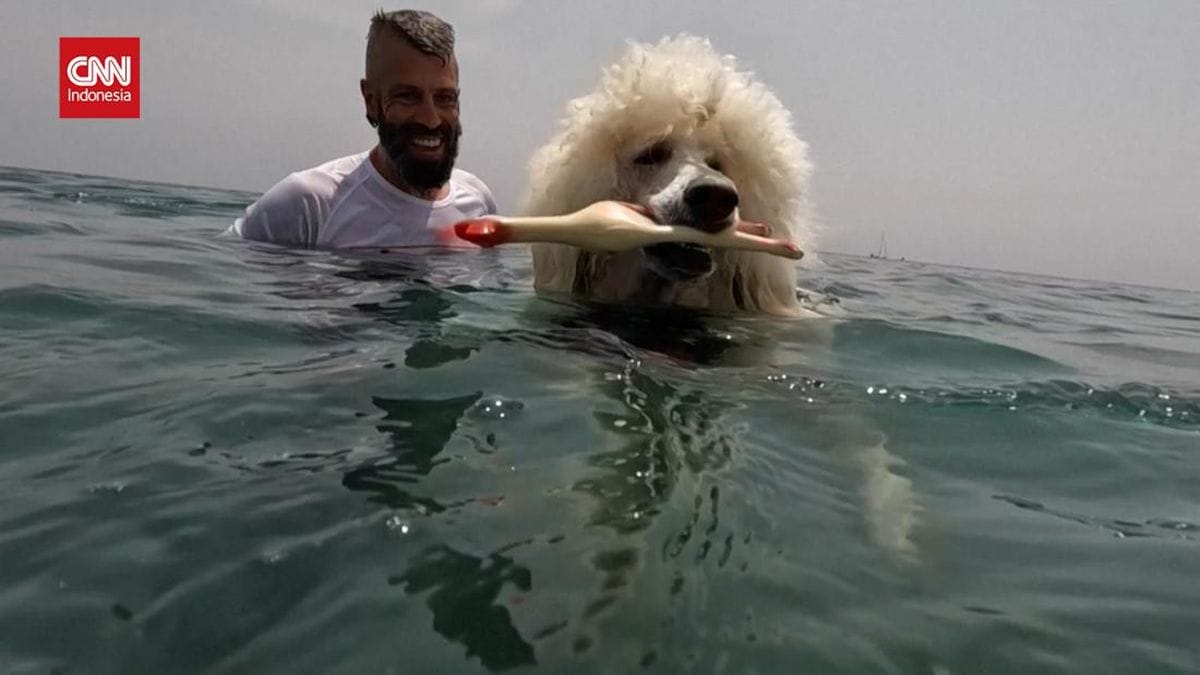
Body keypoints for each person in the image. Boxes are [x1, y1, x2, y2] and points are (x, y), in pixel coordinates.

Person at [226, 9, 496, 250]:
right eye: (407, 96)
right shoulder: (310, 203)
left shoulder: (477, 202)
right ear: (370, 100)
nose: (431, 119)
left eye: (445, 98)